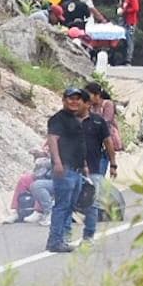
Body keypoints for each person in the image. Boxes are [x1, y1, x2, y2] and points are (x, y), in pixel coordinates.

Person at [45, 86, 92, 253]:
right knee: (62, 205)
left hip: (76, 169)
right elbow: (53, 139)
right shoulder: (58, 119)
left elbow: (79, 144)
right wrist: (57, 162)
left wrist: (84, 165)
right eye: (70, 98)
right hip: (65, 169)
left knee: (70, 206)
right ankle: (55, 240)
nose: (74, 101)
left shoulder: (74, 119)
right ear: (64, 100)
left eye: (77, 98)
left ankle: (62, 238)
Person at [76, 80, 117, 243]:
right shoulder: (71, 119)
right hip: (75, 166)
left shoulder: (100, 118)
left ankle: (90, 232)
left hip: (97, 159)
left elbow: (107, 141)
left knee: (93, 193)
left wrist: (113, 164)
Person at [6, 147, 53, 224]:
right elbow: (47, 152)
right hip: (45, 172)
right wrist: (40, 154)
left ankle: (39, 211)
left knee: (39, 183)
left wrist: (44, 162)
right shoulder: (51, 140)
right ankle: (17, 211)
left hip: (56, 175)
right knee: (24, 179)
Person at [111, 0, 140, 66]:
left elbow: (135, 8)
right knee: (122, 40)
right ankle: (122, 58)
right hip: (123, 21)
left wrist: (124, 11)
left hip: (130, 22)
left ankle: (128, 59)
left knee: (129, 40)